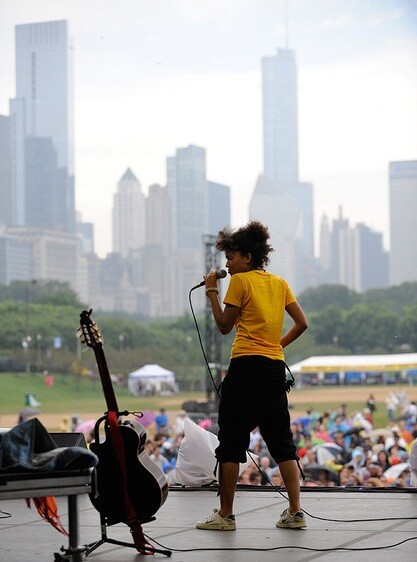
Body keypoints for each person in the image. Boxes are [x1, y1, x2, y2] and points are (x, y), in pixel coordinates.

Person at [196, 221, 308, 531]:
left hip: (245, 367)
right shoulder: (279, 283)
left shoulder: (241, 283)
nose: (227, 265)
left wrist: (211, 292)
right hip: (273, 369)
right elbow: (302, 323)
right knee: (281, 441)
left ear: (247, 256)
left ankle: (226, 515)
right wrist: (275, 346)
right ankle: (295, 512)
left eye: (230, 258)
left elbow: (222, 325)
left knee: (231, 440)